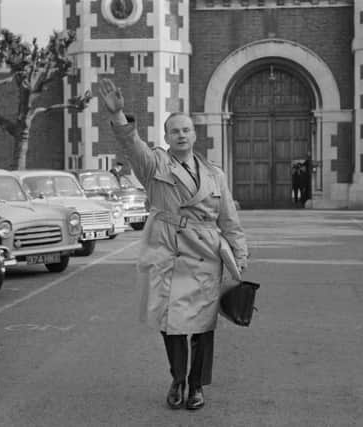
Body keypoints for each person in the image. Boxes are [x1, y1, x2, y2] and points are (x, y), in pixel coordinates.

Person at [97, 78, 248, 411]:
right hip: (169, 251)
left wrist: (240, 254)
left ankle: (196, 386)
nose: (181, 135)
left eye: (187, 130)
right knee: (172, 323)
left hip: (207, 254)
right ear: (166, 138)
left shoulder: (215, 175)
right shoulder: (153, 165)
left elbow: (229, 220)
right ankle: (178, 379)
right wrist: (119, 114)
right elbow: (131, 145)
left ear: (195, 135)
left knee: (205, 325)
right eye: (175, 130)